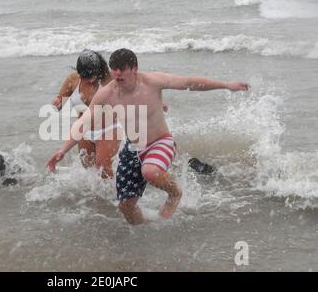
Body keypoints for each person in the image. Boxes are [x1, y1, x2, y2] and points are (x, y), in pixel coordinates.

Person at [47, 48, 250, 225]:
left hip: (160, 141)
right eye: (114, 70)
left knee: (150, 172)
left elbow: (189, 82)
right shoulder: (107, 93)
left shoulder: (153, 81)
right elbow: (83, 122)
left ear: (134, 68)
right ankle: (148, 229)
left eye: (122, 71)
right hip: (133, 146)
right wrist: (63, 150)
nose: (117, 76)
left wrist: (226, 85)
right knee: (126, 207)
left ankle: (175, 193)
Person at [51, 50, 121, 179]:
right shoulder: (73, 79)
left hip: (109, 129)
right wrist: (57, 103)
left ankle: (116, 197)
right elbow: (60, 99)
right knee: (89, 171)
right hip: (84, 131)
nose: (91, 79)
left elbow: (136, 84)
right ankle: (96, 199)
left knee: (103, 168)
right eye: (86, 76)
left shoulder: (110, 78)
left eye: (93, 75)